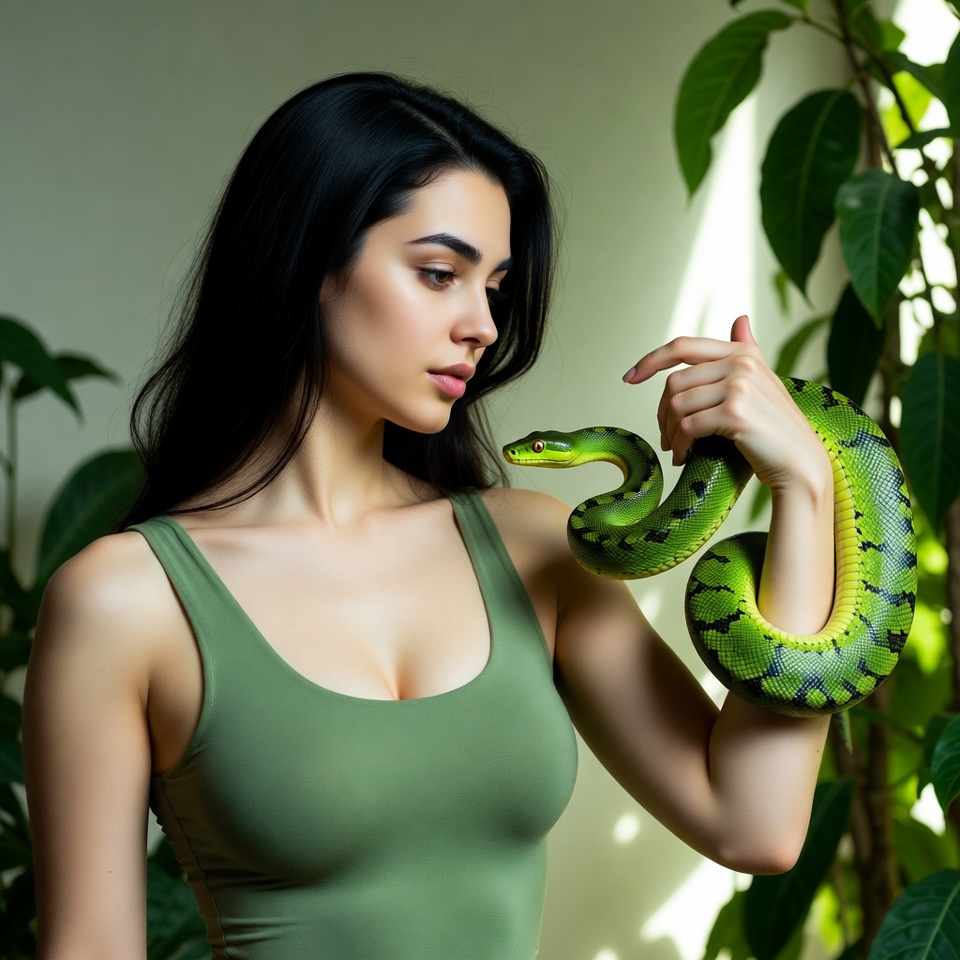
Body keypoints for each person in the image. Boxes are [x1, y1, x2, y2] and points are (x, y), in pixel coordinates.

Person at [22, 72, 835, 960]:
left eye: (495, 288)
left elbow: (755, 826)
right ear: (306, 258)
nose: (482, 324)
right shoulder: (124, 601)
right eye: (440, 274)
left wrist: (806, 486)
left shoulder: (535, 548)